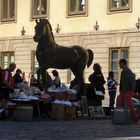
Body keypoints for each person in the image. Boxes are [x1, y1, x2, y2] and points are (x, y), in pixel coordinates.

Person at [116, 58, 138, 123]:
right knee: (119, 103)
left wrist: (133, 90)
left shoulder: (127, 71)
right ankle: (119, 117)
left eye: (120, 63)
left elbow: (132, 81)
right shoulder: (123, 71)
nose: (119, 65)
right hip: (123, 91)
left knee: (129, 104)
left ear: (123, 63)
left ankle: (134, 118)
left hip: (127, 90)